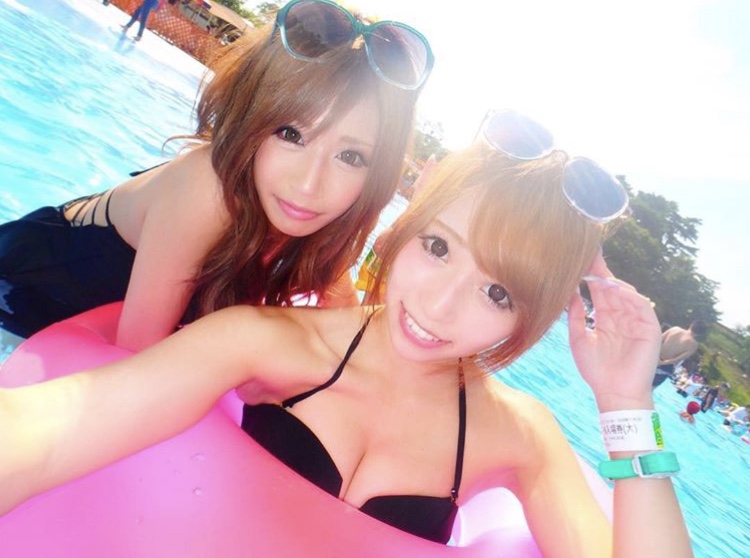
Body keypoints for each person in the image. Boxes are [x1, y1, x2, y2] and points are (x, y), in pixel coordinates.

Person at [0, 112, 692, 556]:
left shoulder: (520, 435)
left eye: (498, 292)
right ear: (406, 226)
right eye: (438, 248)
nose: (439, 305)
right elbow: (56, 429)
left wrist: (625, 403)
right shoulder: (267, 342)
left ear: (534, 314)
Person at [0, 0, 431, 351]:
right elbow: (135, 355)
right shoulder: (207, 189)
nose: (308, 184)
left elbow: (350, 334)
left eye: (351, 156)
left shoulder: (329, 224)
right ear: (251, 115)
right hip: (21, 292)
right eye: (290, 134)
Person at [652, 320, 709, 389]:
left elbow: (658, 340)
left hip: (653, 356)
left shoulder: (675, 329)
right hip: (665, 367)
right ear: (700, 334)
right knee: (648, 390)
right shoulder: (693, 344)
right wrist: (662, 363)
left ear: (691, 325)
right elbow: (678, 359)